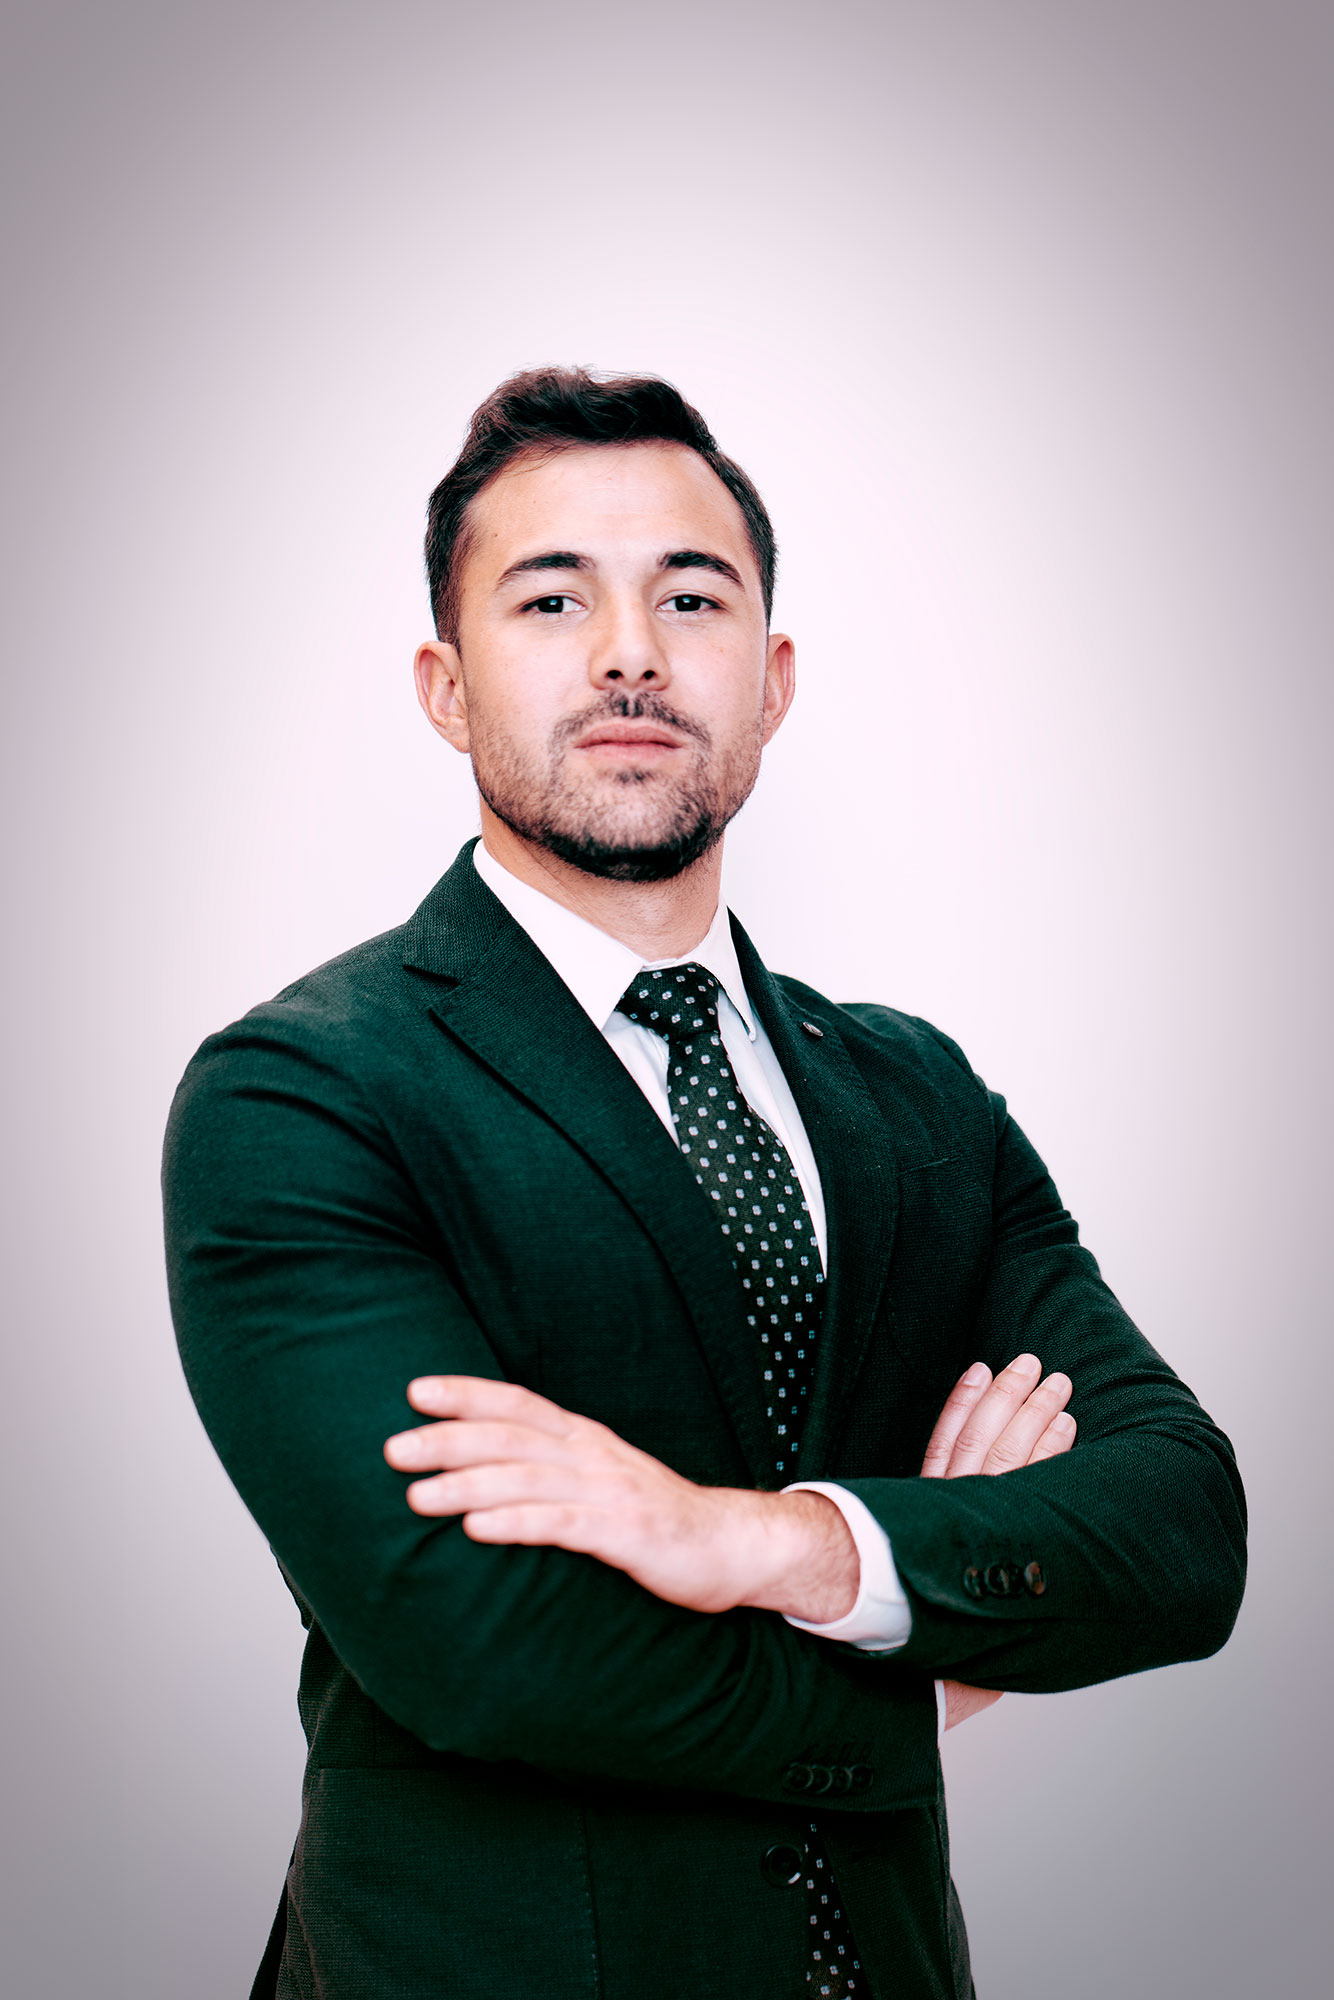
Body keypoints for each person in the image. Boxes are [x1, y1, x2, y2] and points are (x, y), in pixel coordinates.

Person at [162, 368, 1246, 2000]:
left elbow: (1179, 1530)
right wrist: (932, 1656)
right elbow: (477, 1647)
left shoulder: (916, 1098)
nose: (630, 653)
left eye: (690, 597)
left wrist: (765, 1543)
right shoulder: (305, 1093)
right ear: (445, 689)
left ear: (772, 678)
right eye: (551, 598)